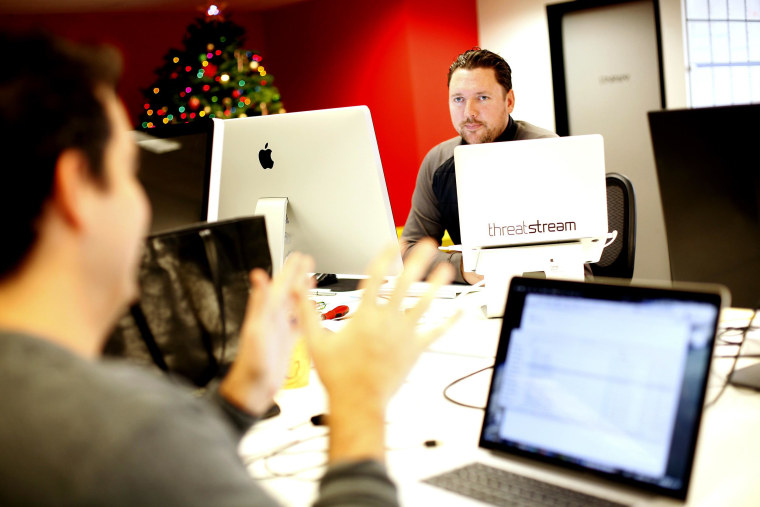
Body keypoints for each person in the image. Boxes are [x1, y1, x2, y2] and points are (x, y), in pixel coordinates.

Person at [0, 31, 456, 505]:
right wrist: (360, 404)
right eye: (129, 172)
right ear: (76, 189)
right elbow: (141, 449)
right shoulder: (120, 428)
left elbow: (160, 467)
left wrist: (238, 398)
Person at [400, 48, 558, 284]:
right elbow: (410, 249)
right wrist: (462, 268)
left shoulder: (549, 152)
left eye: (482, 97)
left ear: (510, 101)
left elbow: (575, 257)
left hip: (541, 291)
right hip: (472, 298)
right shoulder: (438, 162)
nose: (469, 112)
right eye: (458, 99)